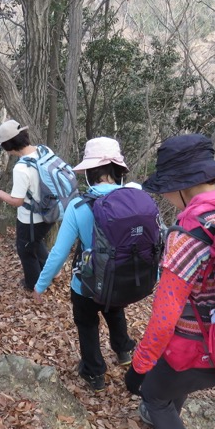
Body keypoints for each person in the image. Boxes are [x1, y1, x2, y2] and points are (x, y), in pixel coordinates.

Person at [124, 133, 215, 429]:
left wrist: (139, 368)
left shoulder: (189, 233)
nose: (164, 196)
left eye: (167, 188)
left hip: (196, 347)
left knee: (154, 395)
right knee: (174, 385)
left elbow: (164, 317)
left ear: (183, 186)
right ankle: (159, 407)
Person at [31, 138, 136, 392]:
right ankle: (123, 351)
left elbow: (58, 253)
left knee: (87, 324)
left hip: (87, 283)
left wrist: (40, 285)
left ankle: (95, 374)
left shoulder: (78, 207)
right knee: (114, 311)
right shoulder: (134, 198)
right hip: (120, 278)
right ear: (119, 171)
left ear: (89, 173)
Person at [0, 120, 53, 291]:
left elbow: (17, 201)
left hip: (31, 218)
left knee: (26, 250)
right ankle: (49, 273)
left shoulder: (21, 168)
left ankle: (34, 285)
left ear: (8, 146)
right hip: (51, 210)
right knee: (36, 241)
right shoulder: (45, 150)